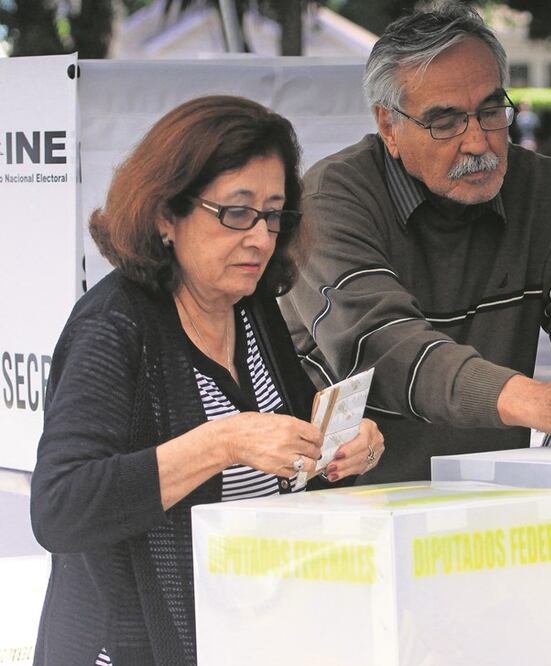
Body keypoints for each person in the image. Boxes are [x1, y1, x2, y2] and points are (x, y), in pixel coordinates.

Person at [280, 3, 551, 484]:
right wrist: (536, 399)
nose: (479, 142)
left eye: (491, 111)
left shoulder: (541, 187)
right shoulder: (332, 200)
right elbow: (384, 347)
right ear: (389, 126)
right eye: (445, 122)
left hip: (490, 500)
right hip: (350, 505)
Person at [30, 95, 385, 665]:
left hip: (244, 639)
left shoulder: (253, 307)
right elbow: (59, 507)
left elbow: (287, 474)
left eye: (274, 215)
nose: (261, 238)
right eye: (237, 213)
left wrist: (337, 451)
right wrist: (223, 441)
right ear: (166, 215)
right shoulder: (114, 325)